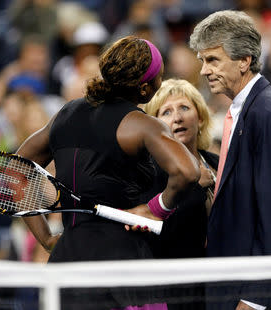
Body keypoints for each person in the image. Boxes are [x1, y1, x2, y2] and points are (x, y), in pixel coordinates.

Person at [16, 36, 200, 310]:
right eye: (160, 77)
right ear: (145, 88)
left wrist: (45, 238)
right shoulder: (141, 124)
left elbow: (18, 167)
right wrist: (156, 208)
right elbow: (187, 172)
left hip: (67, 263)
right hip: (124, 268)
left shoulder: (65, 114)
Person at [189, 10, 271, 309]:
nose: (203, 71)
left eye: (212, 60)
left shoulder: (266, 112)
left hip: (263, 296)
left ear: (244, 60)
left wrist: (255, 297)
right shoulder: (255, 108)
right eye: (202, 61)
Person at [142, 78, 218, 310]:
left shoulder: (219, 162)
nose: (177, 117)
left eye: (184, 108)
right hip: (178, 291)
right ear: (154, 127)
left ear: (201, 118)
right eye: (166, 112)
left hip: (222, 281)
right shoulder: (150, 173)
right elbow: (156, 231)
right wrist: (195, 187)